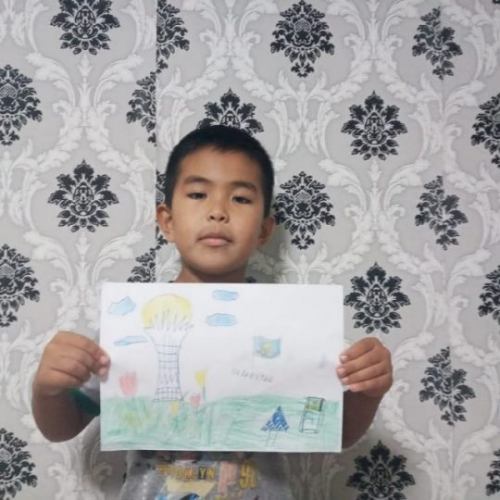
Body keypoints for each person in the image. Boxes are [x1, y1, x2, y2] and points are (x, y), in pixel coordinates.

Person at [32, 125, 393, 499]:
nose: (218, 211)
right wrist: (48, 388)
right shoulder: (133, 324)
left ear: (264, 230)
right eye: (198, 194)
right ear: (167, 221)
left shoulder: (290, 328)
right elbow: (62, 427)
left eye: (240, 198)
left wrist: (368, 392)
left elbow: (336, 432)